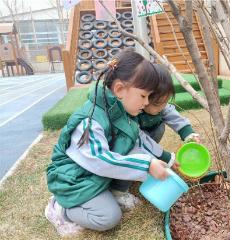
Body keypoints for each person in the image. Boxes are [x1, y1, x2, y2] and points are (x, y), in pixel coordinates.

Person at [45, 49, 170, 237]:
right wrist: (147, 164)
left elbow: (137, 140)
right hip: (75, 179)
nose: (146, 103)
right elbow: (101, 161)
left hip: (95, 174)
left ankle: (111, 192)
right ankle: (61, 208)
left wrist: (168, 159)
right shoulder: (89, 121)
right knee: (109, 218)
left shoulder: (123, 111)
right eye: (143, 96)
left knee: (135, 154)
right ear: (119, 89)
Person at [137, 64, 201, 167]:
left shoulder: (162, 106)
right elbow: (140, 139)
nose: (163, 106)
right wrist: (164, 157)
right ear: (145, 97)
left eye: (166, 101)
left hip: (148, 134)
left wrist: (188, 133)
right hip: (132, 141)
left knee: (159, 127)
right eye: (158, 103)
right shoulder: (134, 111)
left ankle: (151, 153)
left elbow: (172, 115)